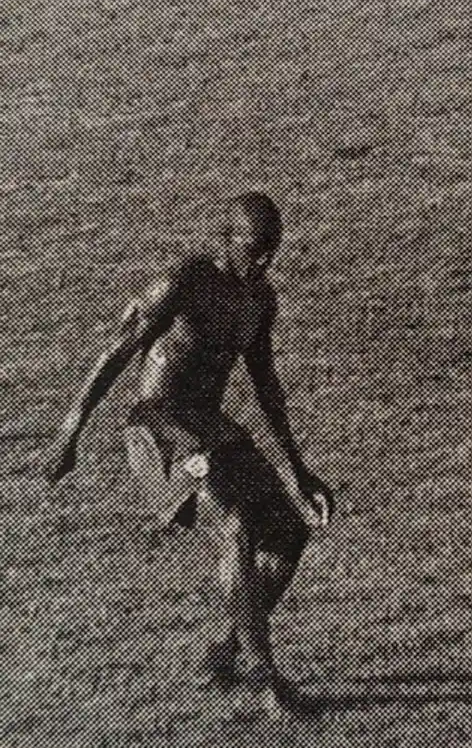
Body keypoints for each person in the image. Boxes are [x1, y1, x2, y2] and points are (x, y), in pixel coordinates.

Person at [42, 192, 334, 698]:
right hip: (157, 427)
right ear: (227, 238)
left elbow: (266, 385)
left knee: (289, 529)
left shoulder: (260, 299)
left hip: (209, 426)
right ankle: (268, 681)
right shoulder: (183, 281)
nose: (264, 260)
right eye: (256, 247)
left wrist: (298, 471)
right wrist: (72, 431)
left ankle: (227, 648)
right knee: (237, 522)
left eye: (272, 249)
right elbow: (116, 353)